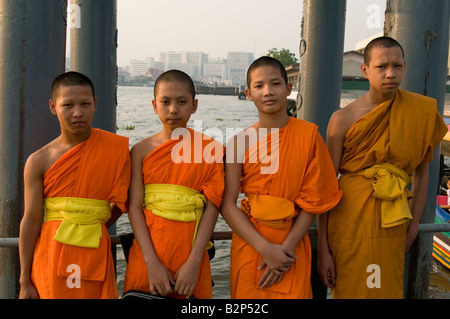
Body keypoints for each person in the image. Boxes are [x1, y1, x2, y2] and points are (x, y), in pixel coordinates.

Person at [318, 36, 448, 299]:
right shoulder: (342, 119)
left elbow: (423, 172)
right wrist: (323, 246)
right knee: (353, 288)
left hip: (394, 220)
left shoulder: (420, 111)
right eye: (381, 67)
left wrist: (413, 227)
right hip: (349, 218)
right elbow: (327, 186)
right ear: (365, 70)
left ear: (404, 66)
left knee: (384, 289)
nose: (391, 74)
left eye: (397, 66)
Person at [221, 56, 342, 299]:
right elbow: (227, 205)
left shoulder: (308, 136)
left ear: (288, 89)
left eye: (275, 84)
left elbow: (313, 201)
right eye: (259, 86)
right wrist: (264, 248)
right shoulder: (238, 143)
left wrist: (284, 250)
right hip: (251, 244)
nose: (268, 92)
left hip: (292, 246)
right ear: (248, 93)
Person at [19, 71, 131, 299]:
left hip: (95, 250)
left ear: (95, 104)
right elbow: (30, 220)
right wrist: (24, 280)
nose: (78, 113)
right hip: (50, 254)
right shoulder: (39, 160)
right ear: (53, 107)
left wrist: (89, 223)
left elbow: (121, 202)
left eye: (85, 104)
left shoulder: (115, 150)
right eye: (68, 105)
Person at [122, 70, 224, 299]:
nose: (173, 109)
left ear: (194, 105)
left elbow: (213, 206)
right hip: (148, 256)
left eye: (182, 102)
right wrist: (151, 262)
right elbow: (134, 207)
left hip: (192, 256)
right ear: (154, 105)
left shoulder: (211, 149)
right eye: (165, 102)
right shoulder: (140, 151)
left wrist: (195, 261)